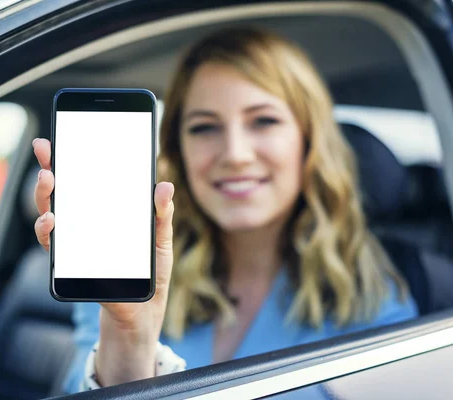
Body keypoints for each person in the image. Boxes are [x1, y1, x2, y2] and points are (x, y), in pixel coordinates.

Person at [32, 27, 418, 395]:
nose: (235, 154)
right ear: (178, 151)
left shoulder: (373, 305)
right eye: (204, 127)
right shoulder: (123, 274)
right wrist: (130, 338)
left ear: (309, 141)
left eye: (263, 121)